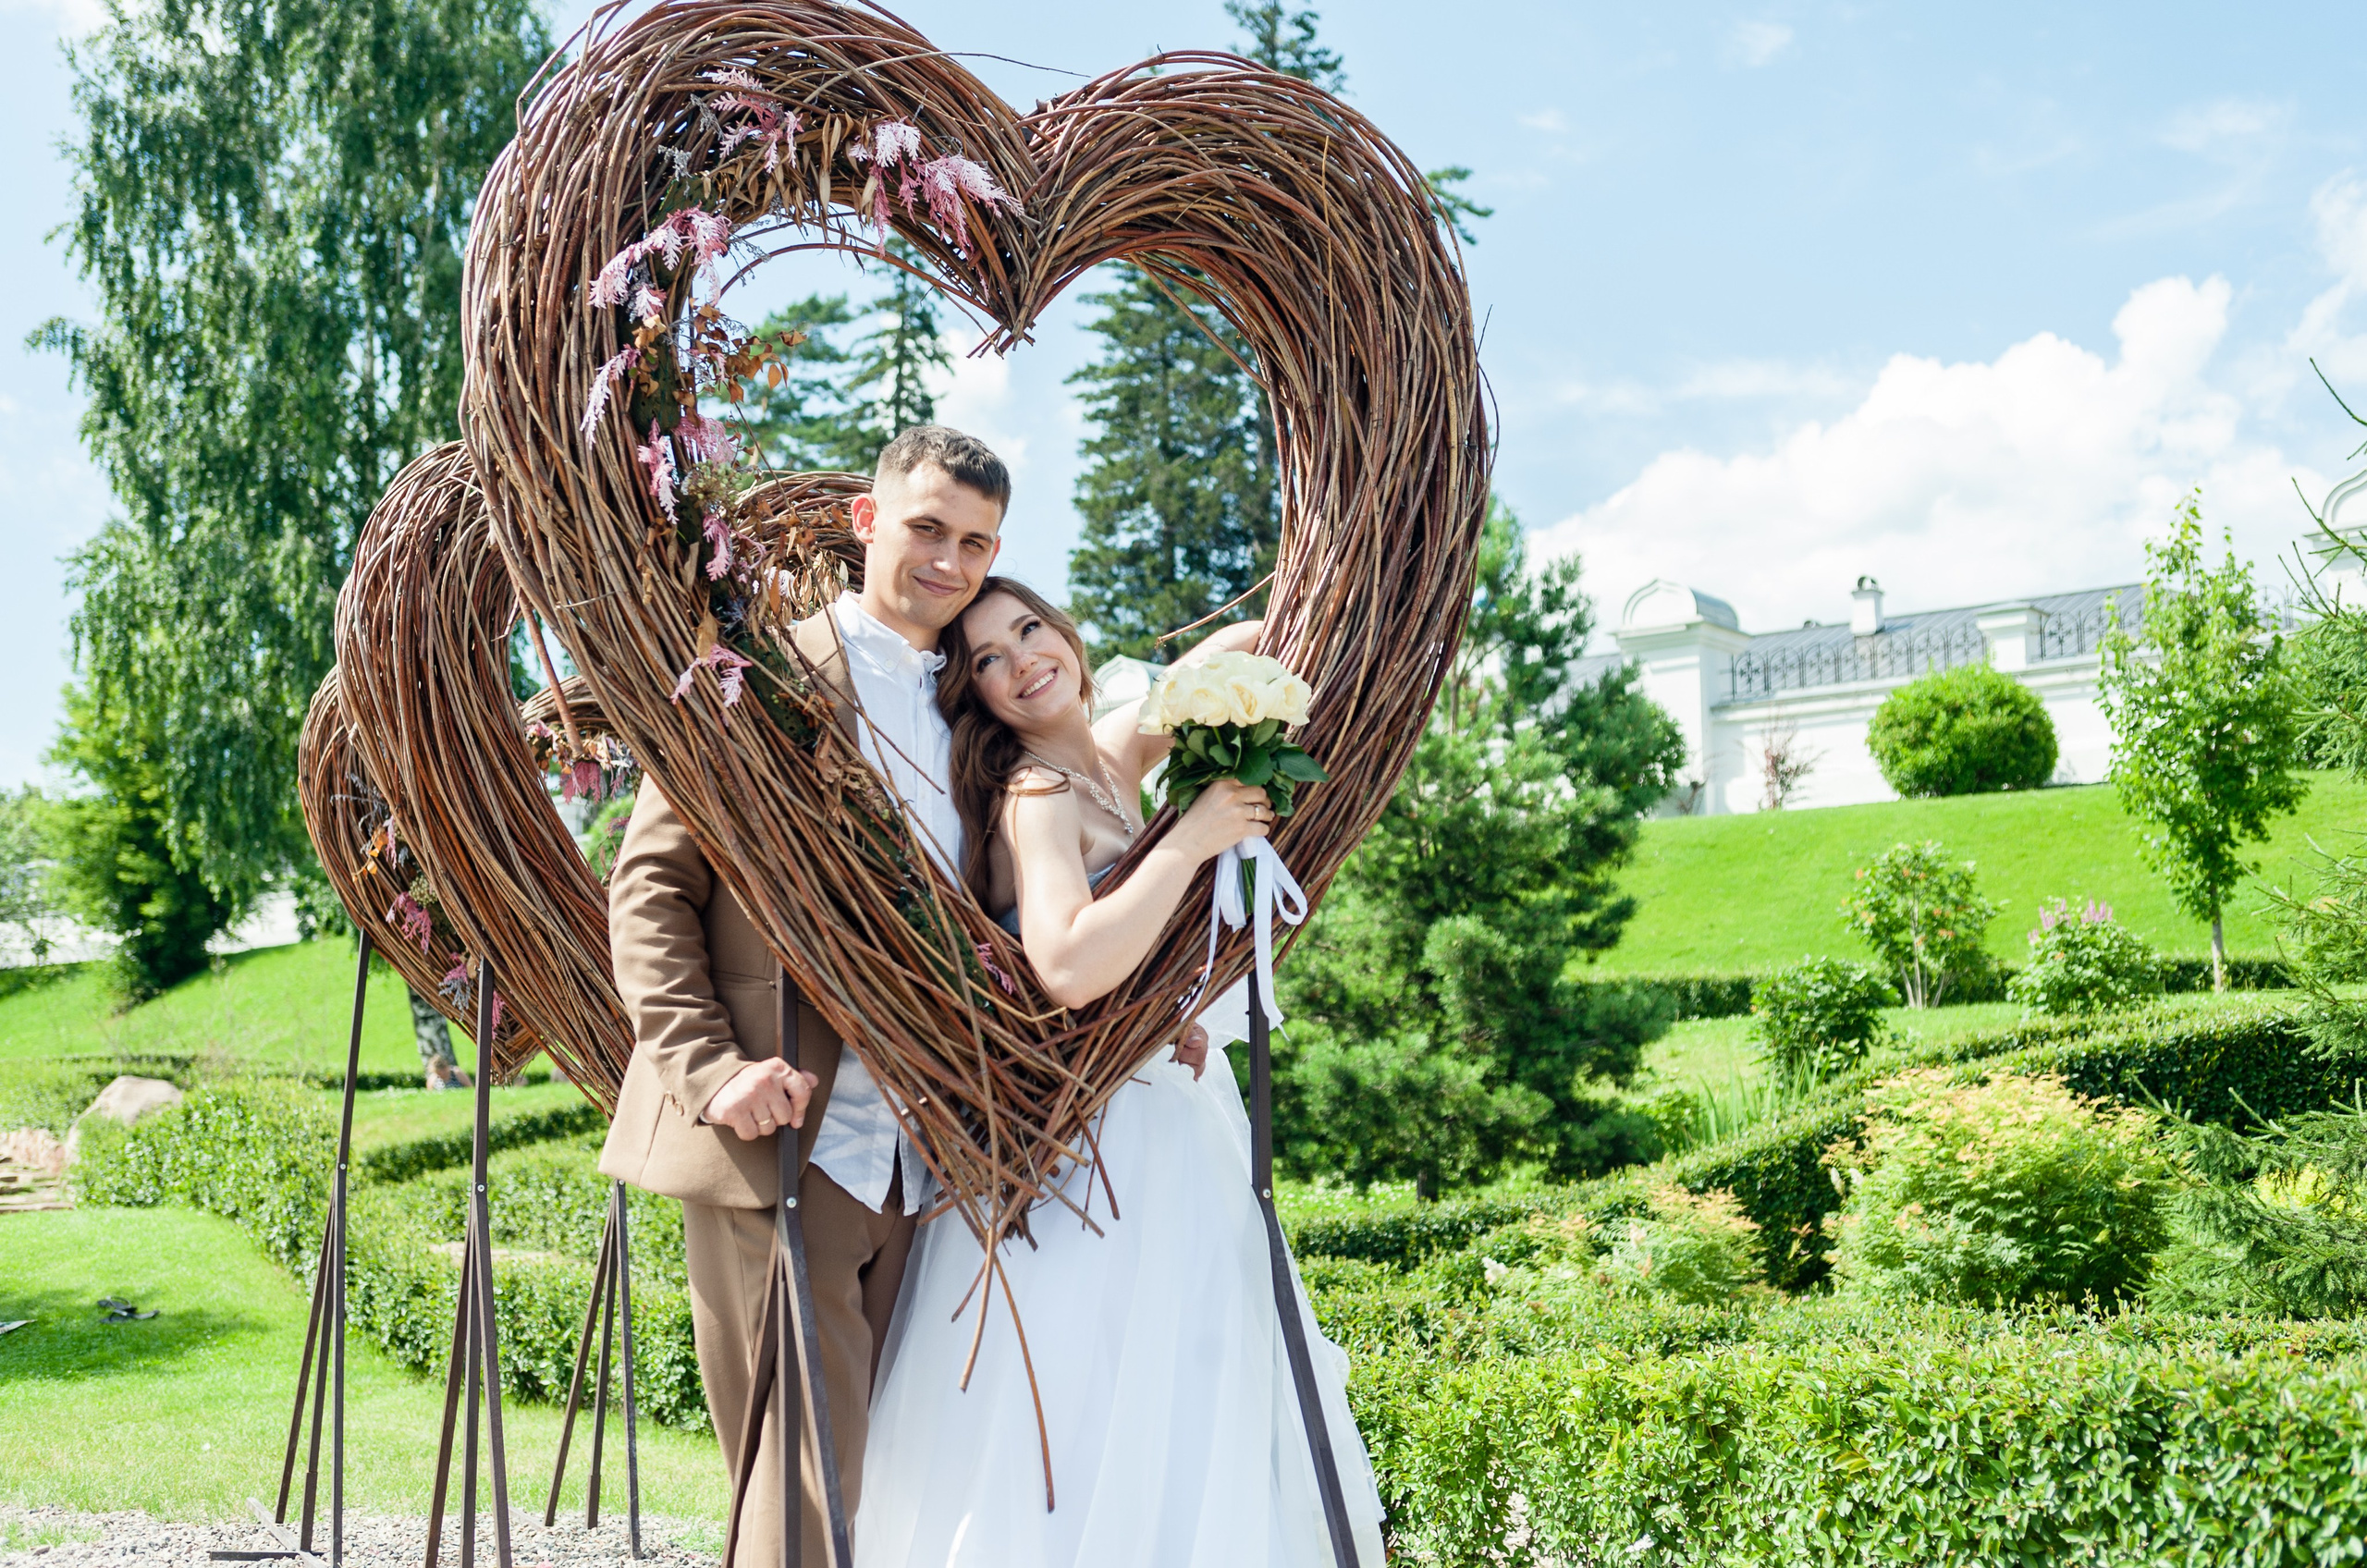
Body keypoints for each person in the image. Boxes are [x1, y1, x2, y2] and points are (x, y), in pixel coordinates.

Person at [854, 577, 1388, 1567]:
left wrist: (1316, 603)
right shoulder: (1036, 792)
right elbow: (1066, 964)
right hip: (1093, 1150)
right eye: (989, 661)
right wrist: (1188, 839)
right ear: (974, 698)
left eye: (1029, 630)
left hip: (1174, 1115)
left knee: (1198, 1377)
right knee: (1103, 1393)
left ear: (1066, 629)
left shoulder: (1109, 752)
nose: (1022, 662)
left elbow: (1249, 637)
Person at [599, 425, 1010, 1566]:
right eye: (928, 527)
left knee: (852, 1478)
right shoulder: (757, 678)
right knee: (803, 1478)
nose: (951, 562)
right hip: (779, 1129)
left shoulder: (971, 717)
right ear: (868, 520)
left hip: (920, 1151)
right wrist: (713, 1071)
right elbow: (650, 888)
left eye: (978, 543)